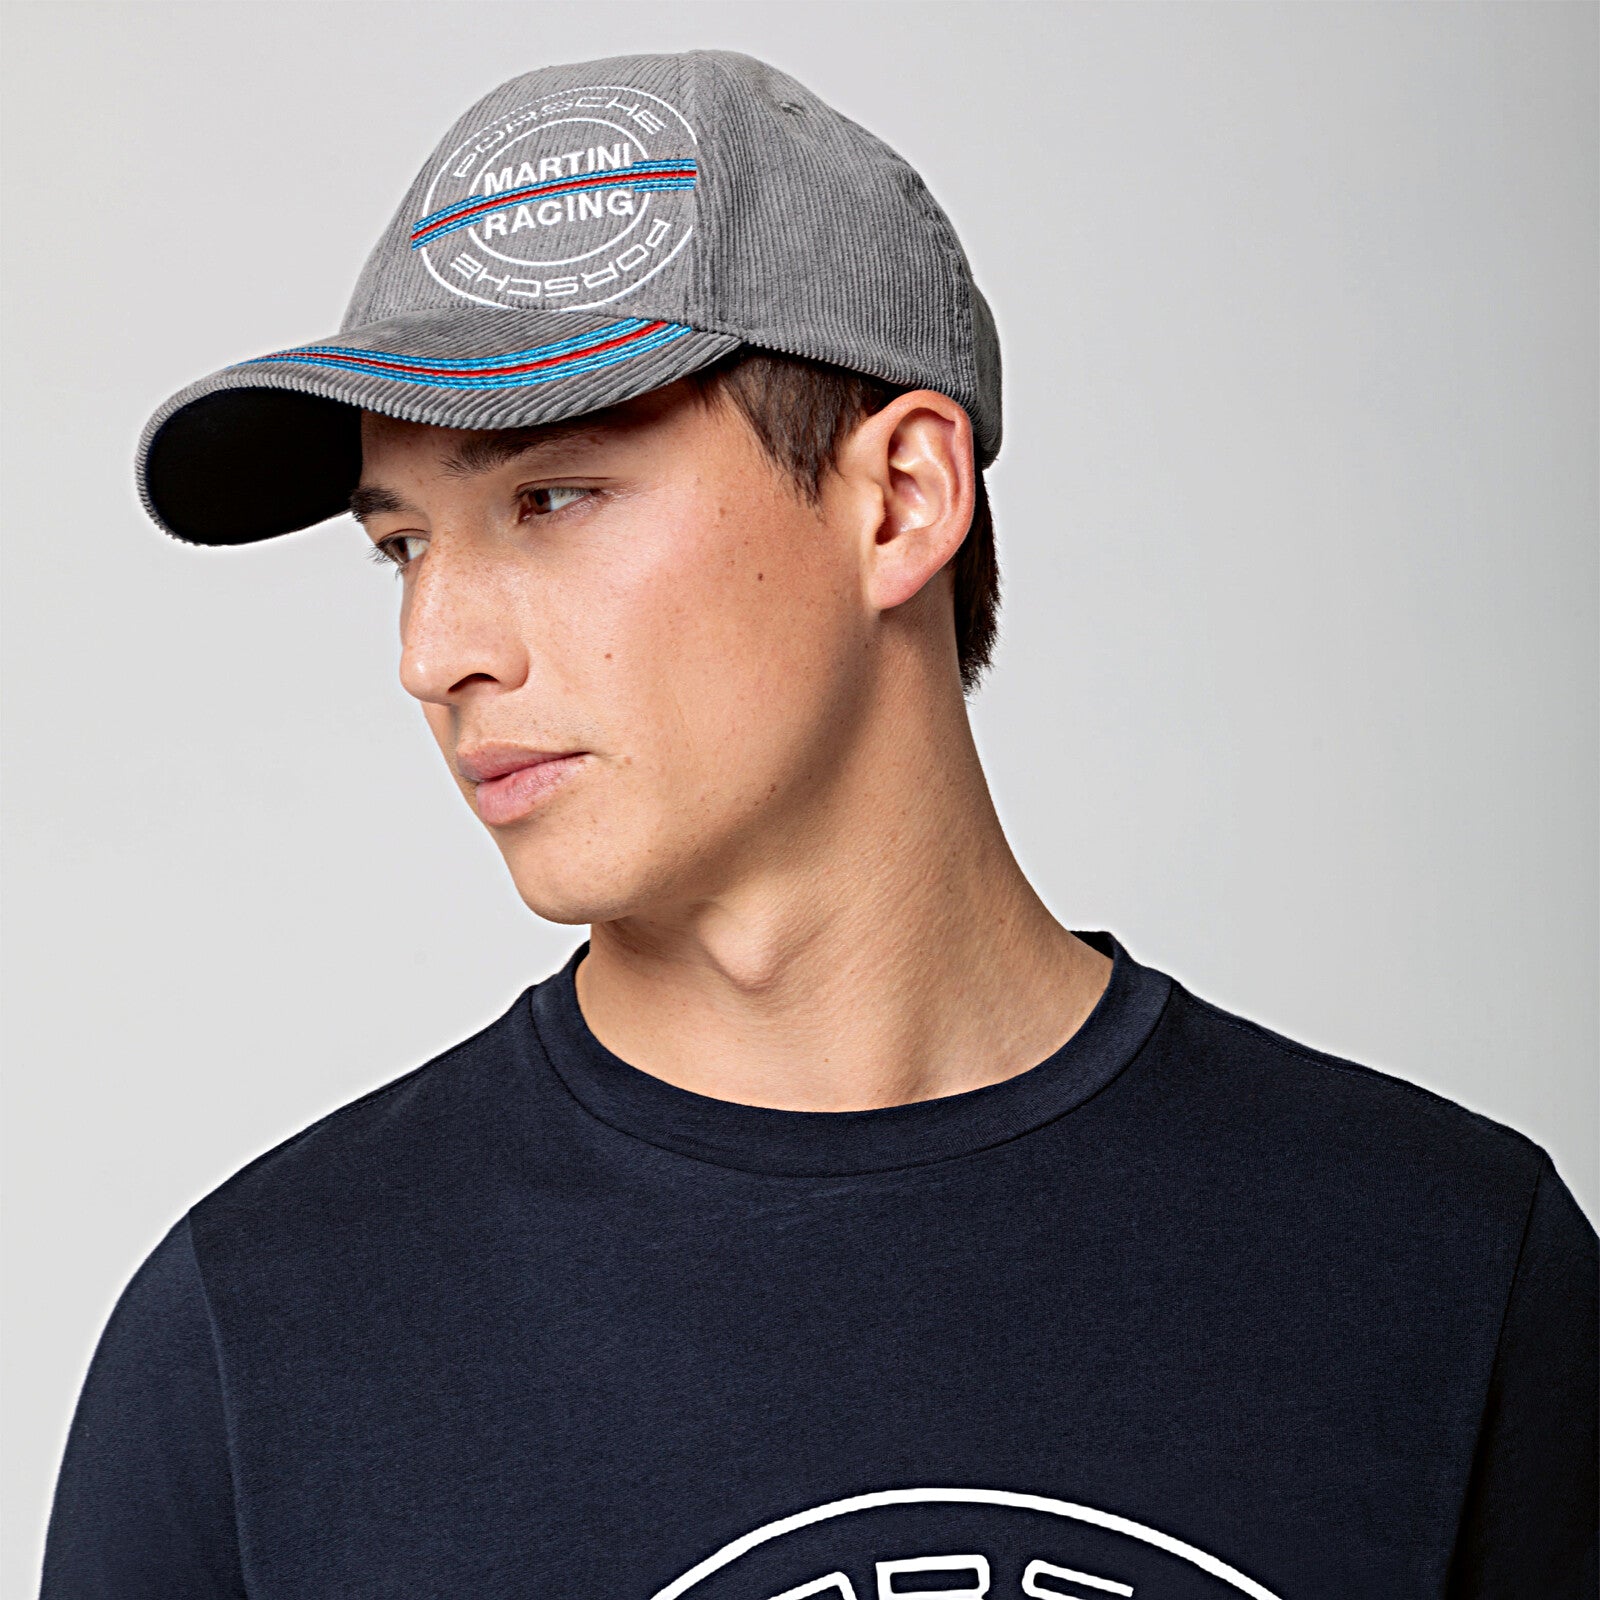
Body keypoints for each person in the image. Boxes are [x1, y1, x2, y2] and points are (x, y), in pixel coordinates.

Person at [40, 47, 1595, 1600]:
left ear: (902, 498)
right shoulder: (253, 1351)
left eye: (550, 498)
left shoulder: (1452, 1274)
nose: (433, 651)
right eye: (403, 546)